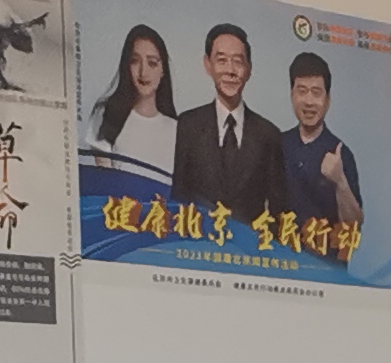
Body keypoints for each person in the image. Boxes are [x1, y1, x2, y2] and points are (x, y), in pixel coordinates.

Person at [168, 20, 282, 225]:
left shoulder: (268, 134)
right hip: (199, 240)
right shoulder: (188, 125)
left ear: (249, 68)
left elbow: (278, 210)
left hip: (248, 243)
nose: (230, 70)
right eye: (221, 60)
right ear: (208, 65)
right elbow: (179, 197)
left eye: (238, 61)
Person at [278, 47, 359, 256]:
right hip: (281, 265)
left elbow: (355, 226)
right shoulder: (276, 144)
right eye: (301, 91)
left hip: (324, 267)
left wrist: (340, 181)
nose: (309, 101)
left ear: (327, 100)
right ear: (292, 95)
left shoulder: (341, 153)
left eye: (316, 92)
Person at [88, 21, 179, 183]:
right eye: (135, 61)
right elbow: (105, 184)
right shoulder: (106, 114)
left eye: (152, 63)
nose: (143, 72)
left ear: (163, 70)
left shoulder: (178, 130)